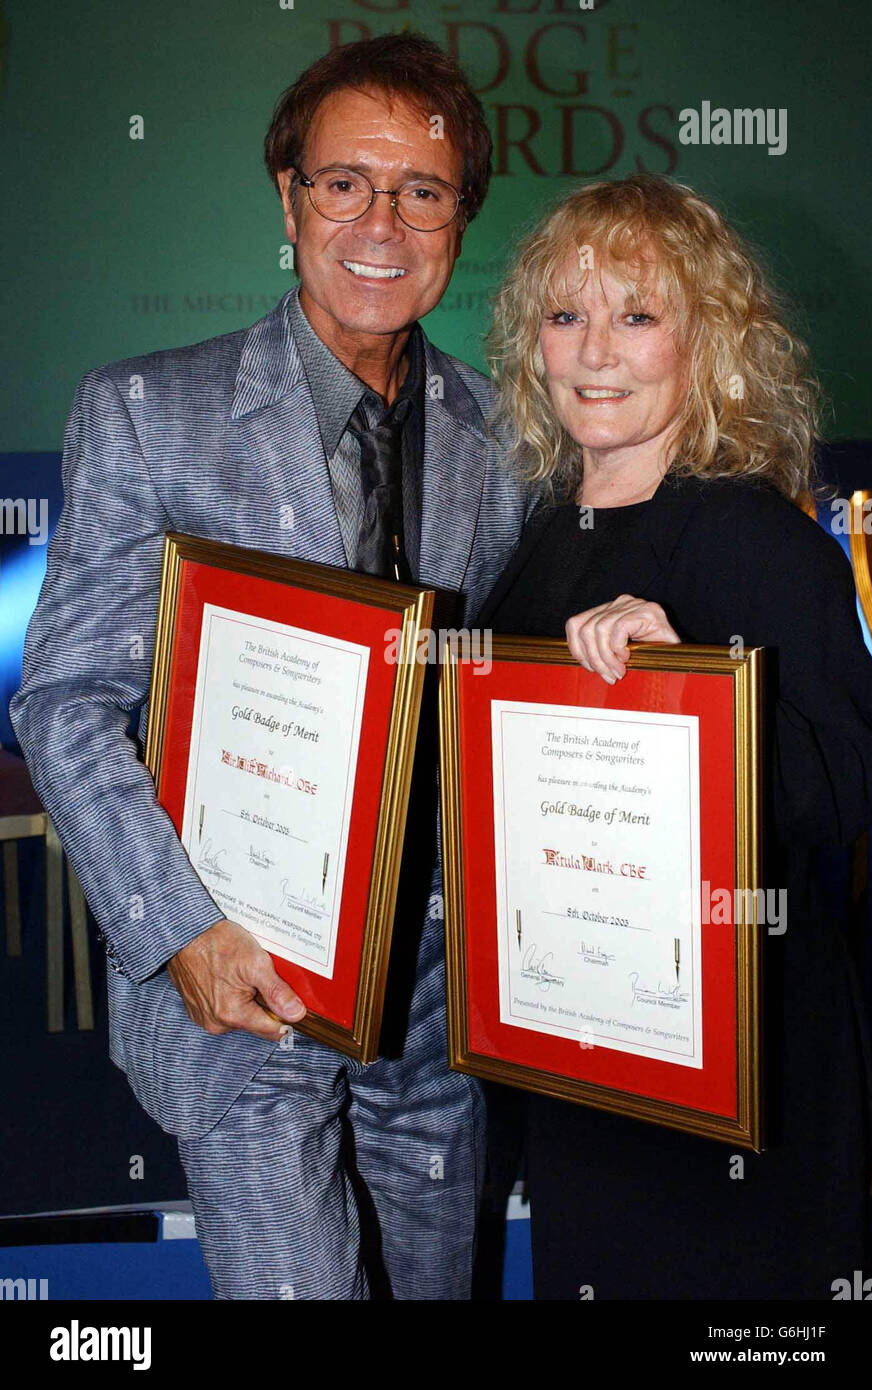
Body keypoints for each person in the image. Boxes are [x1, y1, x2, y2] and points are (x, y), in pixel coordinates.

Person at [11, 33, 610, 1301]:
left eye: (422, 191)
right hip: (241, 991)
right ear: (287, 196)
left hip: (438, 1012)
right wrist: (180, 932)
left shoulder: (510, 438)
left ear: (459, 217)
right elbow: (65, 703)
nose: (381, 221)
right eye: (345, 183)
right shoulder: (143, 409)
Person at [478, 173, 872, 1299]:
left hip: (735, 1101)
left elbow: (849, 780)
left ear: (706, 343)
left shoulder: (749, 531)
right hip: (588, 1064)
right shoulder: (549, 529)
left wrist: (699, 693)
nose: (593, 349)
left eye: (636, 315)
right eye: (566, 314)